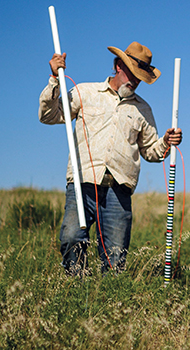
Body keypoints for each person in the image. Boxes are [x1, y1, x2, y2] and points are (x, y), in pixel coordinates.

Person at [39, 42, 182, 274]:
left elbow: (151, 152)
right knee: (71, 238)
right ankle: (76, 287)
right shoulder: (86, 92)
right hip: (83, 182)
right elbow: (48, 115)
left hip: (119, 189)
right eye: (132, 74)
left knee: (115, 259)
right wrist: (55, 78)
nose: (134, 81)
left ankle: (107, 294)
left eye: (139, 78)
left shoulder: (143, 110)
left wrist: (166, 141)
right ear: (118, 66)